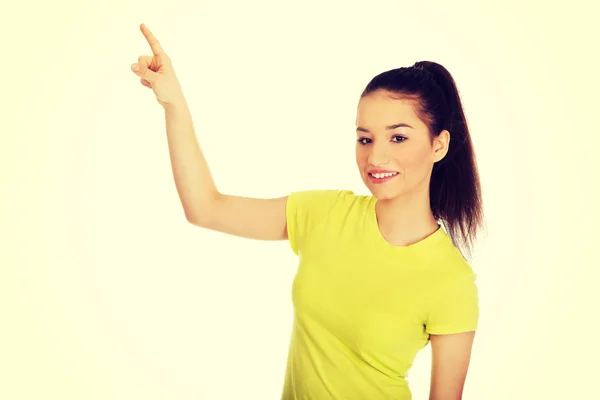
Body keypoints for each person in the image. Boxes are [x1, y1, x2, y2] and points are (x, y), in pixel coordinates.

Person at [131, 23, 483, 400]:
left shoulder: (451, 281)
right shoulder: (324, 214)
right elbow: (206, 208)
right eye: (365, 138)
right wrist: (173, 103)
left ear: (438, 145)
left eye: (398, 137)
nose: (375, 156)